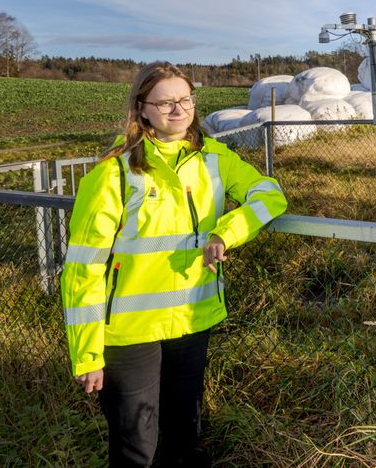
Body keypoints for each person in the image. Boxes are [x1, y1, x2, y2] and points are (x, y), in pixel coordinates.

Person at [61, 61, 288, 467]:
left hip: (190, 320)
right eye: (164, 102)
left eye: (185, 99)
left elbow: (269, 194)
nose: (178, 110)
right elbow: (83, 269)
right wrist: (88, 355)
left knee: (186, 435)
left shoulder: (213, 158)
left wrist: (227, 231)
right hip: (129, 333)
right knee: (136, 444)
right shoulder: (114, 172)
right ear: (141, 108)